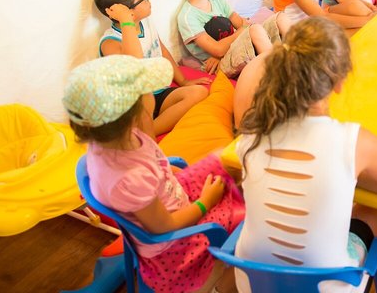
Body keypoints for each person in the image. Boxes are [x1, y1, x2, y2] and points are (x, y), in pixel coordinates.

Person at [232, 18, 377, 292]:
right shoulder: (353, 141)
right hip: (325, 287)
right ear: (339, 81)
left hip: (253, 282)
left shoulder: (253, 131)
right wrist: (358, 175)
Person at [62, 55, 244, 293]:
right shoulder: (128, 178)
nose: (153, 92)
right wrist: (205, 202)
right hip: (174, 243)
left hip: (168, 191)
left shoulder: (115, 139)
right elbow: (164, 227)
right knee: (246, 218)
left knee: (222, 157)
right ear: (133, 115)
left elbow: (151, 159)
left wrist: (166, 170)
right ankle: (219, 285)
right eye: (146, 90)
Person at [94, 0, 209, 137]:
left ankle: (150, 130)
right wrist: (126, 21)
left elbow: (161, 50)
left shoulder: (146, 23)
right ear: (128, 12)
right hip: (134, 105)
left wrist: (183, 81)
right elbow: (134, 65)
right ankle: (146, 134)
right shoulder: (110, 42)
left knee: (199, 93)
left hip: (157, 94)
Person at [174, 0, 289, 78]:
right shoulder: (188, 17)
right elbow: (218, 50)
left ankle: (299, 58)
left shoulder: (218, 0)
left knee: (280, 18)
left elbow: (241, 23)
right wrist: (243, 30)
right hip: (219, 63)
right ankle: (279, 76)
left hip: (236, 47)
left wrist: (243, 28)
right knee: (255, 29)